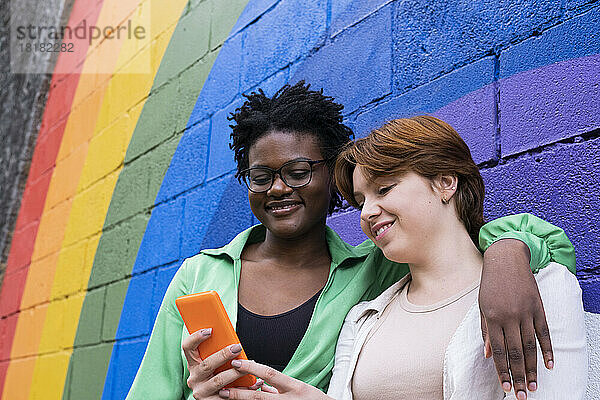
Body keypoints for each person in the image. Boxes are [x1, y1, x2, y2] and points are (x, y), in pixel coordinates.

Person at [126, 84, 576, 400]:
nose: (278, 188)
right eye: (261, 177)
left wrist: (506, 254)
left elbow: (481, 238)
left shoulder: (375, 269)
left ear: (328, 175)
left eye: (298, 172)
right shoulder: (201, 274)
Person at [219, 116, 587, 400]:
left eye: (384, 188)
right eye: (361, 201)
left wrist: (507, 253)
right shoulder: (362, 320)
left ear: (445, 182)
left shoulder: (536, 287)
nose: (366, 213)